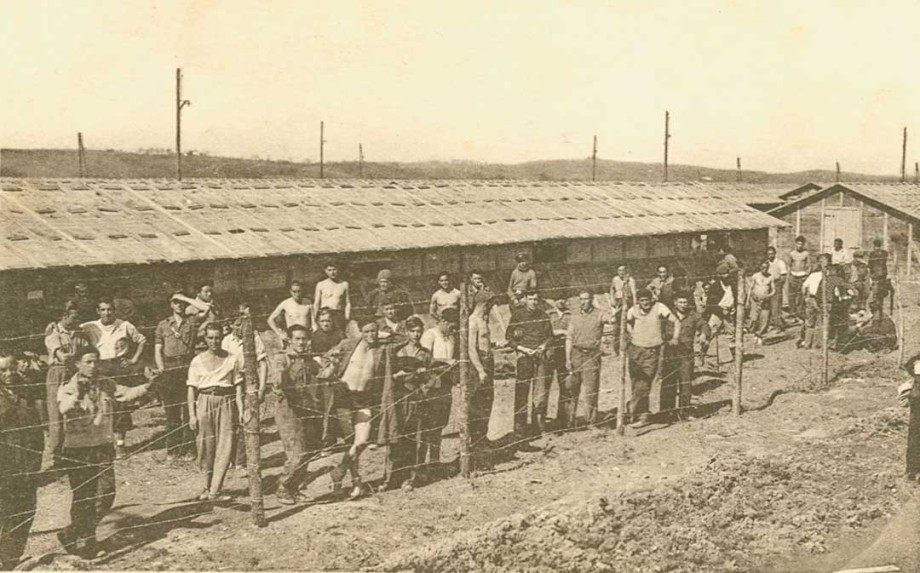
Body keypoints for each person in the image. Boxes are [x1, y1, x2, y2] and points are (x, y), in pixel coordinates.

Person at [57, 347, 156, 558]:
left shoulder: (105, 383)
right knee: (83, 496)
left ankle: (73, 532)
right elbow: (64, 408)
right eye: (88, 362)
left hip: (102, 446)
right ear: (77, 364)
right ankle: (87, 542)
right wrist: (79, 394)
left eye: (96, 362)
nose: (93, 366)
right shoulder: (67, 387)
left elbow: (126, 393)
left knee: (107, 492)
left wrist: (148, 384)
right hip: (77, 450)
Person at [323, 319, 391, 499]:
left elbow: (403, 338)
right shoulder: (348, 344)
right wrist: (333, 359)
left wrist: (383, 335)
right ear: (360, 332)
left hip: (364, 399)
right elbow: (326, 358)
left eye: (373, 331)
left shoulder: (380, 348)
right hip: (344, 397)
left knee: (361, 442)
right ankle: (356, 482)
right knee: (351, 441)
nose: (370, 335)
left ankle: (339, 472)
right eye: (366, 332)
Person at [81, 298, 147, 459]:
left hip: (119, 366)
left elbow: (142, 340)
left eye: (109, 309)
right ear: (98, 311)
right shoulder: (90, 326)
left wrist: (133, 359)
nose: (107, 313)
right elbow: (71, 331)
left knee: (121, 404)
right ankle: (101, 443)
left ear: (114, 310)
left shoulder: (124, 325)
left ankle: (120, 444)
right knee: (100, 403)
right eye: (103, 310)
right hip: (100, 366)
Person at [187, 323, 244, 503]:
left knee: (225, 445)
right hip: (204, 401)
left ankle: (216, 490)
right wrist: (192, 414)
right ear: (205, 338)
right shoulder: (197, 360)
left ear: (222, 338)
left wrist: (241, 410)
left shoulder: (232, 358)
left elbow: (238, 386)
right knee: (205, 445)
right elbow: (191, 389)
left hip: (226, 402)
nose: (214, 341)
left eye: (217, 337)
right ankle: (206, 486)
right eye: (210, 337)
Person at [0, 351, 43, 570]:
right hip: (4, 466)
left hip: (27, 462)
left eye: (11, 368)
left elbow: (36, 429)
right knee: (5, 511)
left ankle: (10, 561)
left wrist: (36, 460)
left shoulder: (26, 392)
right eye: (2, 370)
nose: (8, 374)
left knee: (26, 510)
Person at [273, 325, 323, 504]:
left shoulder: (308, 359)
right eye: (297, 339)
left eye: (304, 339)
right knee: (297, 453)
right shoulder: (283, 358)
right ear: (290, 340)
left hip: (307, 408)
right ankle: (283, 488)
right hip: (289, 410)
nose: (301, 342)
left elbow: (323, 373)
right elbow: (278, 379)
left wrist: (333, 363)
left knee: (309, 451)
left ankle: (297, 488)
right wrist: (282, 375)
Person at [381, 316, 428, 491]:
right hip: (399, 398)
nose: (416, 335)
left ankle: (410, 478)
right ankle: (389, 478)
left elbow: (429, 378)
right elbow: (389, 376)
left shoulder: (425, 353)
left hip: (416, 397)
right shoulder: (398, 352)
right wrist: (396, 376)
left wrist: (423, 380)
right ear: (407, 332)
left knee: (414, 437)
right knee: (395, 437)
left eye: (419, 331)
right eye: (413, 331)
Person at [625, 288, 680, 428]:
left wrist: (675, 337)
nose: (645, 303)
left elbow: (676, 321)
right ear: (638, 302)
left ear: (651, 299)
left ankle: (635, 409)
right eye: (642, 301)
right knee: (636, 382)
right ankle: (640, 414)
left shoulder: (659, 307)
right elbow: (625, 322)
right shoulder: (633, 310)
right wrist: (632, 333)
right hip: (635, 350)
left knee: (645, 383)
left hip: (652, 351)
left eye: (647, 300)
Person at [222, 309, 268, 471]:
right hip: (231, 385)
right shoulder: (226, 341)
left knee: (247, 420)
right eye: (236, 325)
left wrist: (261, 388)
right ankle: (228, 457)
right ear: (231, 325)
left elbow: (262, 364)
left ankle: (242, 459)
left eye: (242, 325)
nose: (240, 328)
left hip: (249, 382)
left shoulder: (254, 339)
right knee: (230, 421)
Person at [154, 293, 199, 461]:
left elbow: (205, 308)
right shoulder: (163, 325)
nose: (179, 305)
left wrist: (186, 298)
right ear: (171, 305)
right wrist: (161, 367)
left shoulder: (192, 321)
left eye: (181, 302)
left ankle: (189, 449)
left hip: (188, 366)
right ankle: (173, 450)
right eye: (176, 302)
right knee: (171, 412)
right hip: (170, 368)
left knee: (189, 410)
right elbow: (158, 349)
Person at [564, 290, 615, 429]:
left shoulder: (599, 314)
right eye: (581, 299)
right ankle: (569, 421)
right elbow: (569, 337)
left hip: (591, 355)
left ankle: (590, 421)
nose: (583, 302)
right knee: (571, 388)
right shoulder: (574, 316)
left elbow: (611, 319)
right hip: (576, 354)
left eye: (586, 299)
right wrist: (567, 358)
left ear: (591, 299)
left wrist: (615, 314)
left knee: (591, 389)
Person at [506, 290, 554, 436]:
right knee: (522, 391)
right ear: (525, 300)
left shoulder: (543, 315)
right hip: (524, 356)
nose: (533, 302)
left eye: (535, 299)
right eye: (530, 299)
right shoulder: (518, 315)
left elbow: (550, 336)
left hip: (540, 356)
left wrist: (543, 346)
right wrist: (523, 349)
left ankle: (538, 424)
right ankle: (519, 427)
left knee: (540, 392)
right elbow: (509, 338)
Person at [44, 302, 87, 462]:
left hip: (74, 374)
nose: (77, 320)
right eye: (74, 317)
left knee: (75, 411)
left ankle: (74, 450)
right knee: (56, 415)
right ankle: (57, 455)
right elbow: (63, 357)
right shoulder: (53, 335)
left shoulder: (79, 333)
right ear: (64, 315)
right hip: (58, 373)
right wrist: (76, 356)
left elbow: (87, 351)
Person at [418, 308, 459, 474]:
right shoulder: (430, 335)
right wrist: (445, 361)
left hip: (445, 384)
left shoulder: (451, 337)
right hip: (430, 384)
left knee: (440, 424)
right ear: (443, 321)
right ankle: (420, 463)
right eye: (450, 325)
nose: (452, 328)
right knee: (426, 426)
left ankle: (435, 461)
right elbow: (424, 358)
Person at [662, 291, 710, 413]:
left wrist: (704, 334)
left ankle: (684, 411)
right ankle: (667, 412)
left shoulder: (693, 315)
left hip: (686, 354)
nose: (683, 305)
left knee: (686, 383)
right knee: (668, 383)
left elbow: (704, 324)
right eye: (681, 302)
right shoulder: (667, 315)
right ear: (675, 302)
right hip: (670, 354)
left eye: (685, 302)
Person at [309, 308, 346, 451]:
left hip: (337, 372)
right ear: (318, 322)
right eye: (322, 321)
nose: (325, 323)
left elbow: (344, 352)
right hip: (320, 374)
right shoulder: (315, 336)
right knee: (322, 406)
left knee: (336, 406)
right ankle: (324, 440)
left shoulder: (339, 334)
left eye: (328, 321)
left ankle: (335, 436)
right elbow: (313, 356)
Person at [468, 287, 497, 449]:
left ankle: (483, 436)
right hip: (479, 364)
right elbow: (471, 348)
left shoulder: (483, 321)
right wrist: (480, 370)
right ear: (484, 304)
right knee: (477, 401)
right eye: (490, 304)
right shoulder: (473, 322)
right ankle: (475, 439)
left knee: (488, 400)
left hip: (488, 361)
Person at [546, 297, 570, 429]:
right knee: (545, 386)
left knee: (565, 386)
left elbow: (572, 332)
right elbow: (546, 331)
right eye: (558, 299)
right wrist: (561, 332)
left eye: (563, 299)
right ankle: (542, 421)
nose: (561, 301)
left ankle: (563, 420)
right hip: (550, 353)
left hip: (564, 352)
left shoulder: (570, 315)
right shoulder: (549, 314)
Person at [268, 281, 314, 347]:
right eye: (294, 291)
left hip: (305, 337)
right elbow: (270, 320)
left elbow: (314, 322)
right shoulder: (285, 303)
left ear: (302, 291)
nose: (297, 294)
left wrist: (312, 336)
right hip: (292, 337)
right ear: (290, 291)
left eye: (299, 291)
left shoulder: (308, 302)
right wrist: (280, 334)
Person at [798, 254, 829, 349]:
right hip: (814, 299)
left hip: (817, 300)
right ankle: (810, 344)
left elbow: (804, 286)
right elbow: (804, 286)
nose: (823, 263)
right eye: (821, 261)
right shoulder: (817, 275)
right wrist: (806, 298)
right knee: (813, 323)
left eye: (824, 261)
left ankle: (814, 344)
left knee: (816, 323)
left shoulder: (826, 275)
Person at [314, 262, 351, 333]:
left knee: (340, 334)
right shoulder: (321, 284)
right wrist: (315, 319)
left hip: (338, 314)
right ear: (325, 271)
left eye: (334, 269)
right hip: (325, 314)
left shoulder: (344, 284)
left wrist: (347, 317)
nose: (332, 272)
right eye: (329, 270)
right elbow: (316, 303)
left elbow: (348, 303)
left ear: (338, 270)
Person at [608, 265, 636, 355]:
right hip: (618, 304)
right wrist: (612, 299)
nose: (621, 272)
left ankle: (629, 348)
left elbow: (634, 294)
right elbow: (612, 290)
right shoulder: (615, 279)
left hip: (628, 303)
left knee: (628, 326)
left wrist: (634, 306)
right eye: (619, 270)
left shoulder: (631, 280)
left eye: (623, 270)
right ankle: (616, 349)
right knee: (617, 327)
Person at [746, 260, 775, 345]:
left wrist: (768, 296)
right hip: (755, 300)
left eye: (766, 267)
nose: (764, 269)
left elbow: (774, 290)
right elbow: (750, 289)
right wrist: (748, 301)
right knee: (754, 318)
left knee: (764, 319)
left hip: (765, 300)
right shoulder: (755, 276)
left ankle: (760, 335)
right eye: (763, 267)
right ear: (760, 268)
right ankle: (754, 333)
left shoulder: (770, 277)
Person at [185, 282, 221, 347]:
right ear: (198, 293)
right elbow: (190, 332)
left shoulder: (215, 307)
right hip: (198, 347)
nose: (209, 294)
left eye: (210, 291)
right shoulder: (191, 309)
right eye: (206, 292)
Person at [902, 354, 920, 483]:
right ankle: (913, 471)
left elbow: (908, 365)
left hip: (916, 398)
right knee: (915, 435)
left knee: (915, 435)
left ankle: (912, 471)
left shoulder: (917, 360)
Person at [788, 236, 812, 323]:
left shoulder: (806, 254)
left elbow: (809, 266)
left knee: (800, 297)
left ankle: (799, 315)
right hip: (793, 276)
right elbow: (789, 265)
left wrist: (806, 275)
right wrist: (789, 276)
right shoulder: (792, 254)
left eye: (801, 244)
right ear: (795, 244)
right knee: (791, 297)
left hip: (802, 277)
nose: (799, 246)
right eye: (798, 244)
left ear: (803, 245)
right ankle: (792, 315)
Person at [766, 246, 788, 330]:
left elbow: (783, 276)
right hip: (767, 287)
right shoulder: (767, 263)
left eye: (772, 254)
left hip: (776, 286)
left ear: (775, 254)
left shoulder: (780, 262)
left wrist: (778, 286)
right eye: (768, 254)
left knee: (776, 306)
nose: (770, 256)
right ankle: (772, 323)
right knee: (769, 307)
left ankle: (779, 326)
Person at [868, 239, 890, 314]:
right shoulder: (885, 252)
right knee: (881, 288)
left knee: (875, 289)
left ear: (874, 245)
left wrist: (870, 271)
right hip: (883, 273)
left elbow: (870, 264)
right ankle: (880, 302)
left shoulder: (872, 253)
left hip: (875, 274)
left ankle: (875, 304)